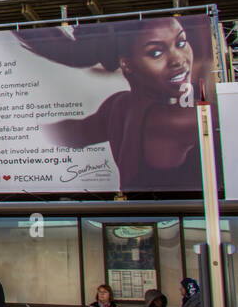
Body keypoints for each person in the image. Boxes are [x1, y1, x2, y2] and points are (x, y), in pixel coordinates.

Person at [16, 16, 211, 190]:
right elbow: (206, 65)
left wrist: (12, 130)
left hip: (139, 218)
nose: (178, 60)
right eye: (156, 53)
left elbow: (69, 134)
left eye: (181, 42)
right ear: (126, 64)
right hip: (175, 223)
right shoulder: (174, 121)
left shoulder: (118, 107)